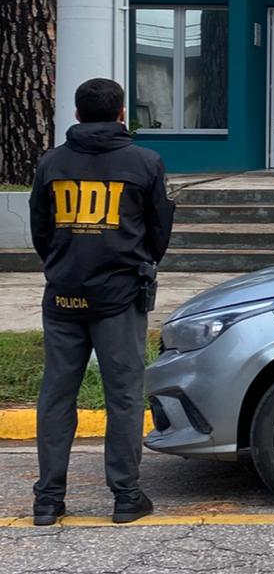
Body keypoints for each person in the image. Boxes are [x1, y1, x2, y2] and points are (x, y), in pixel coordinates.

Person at [28, 78, 175, 525]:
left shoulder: (51, 163)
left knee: (57, 395)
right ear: (121, 113)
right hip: (120, 296)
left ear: (77, 114)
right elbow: (158, 233)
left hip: (63, 294)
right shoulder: (145, 162)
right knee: (124, 396)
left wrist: (64, 263)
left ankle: (48, 500)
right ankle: (126, 496)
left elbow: (40, 231)